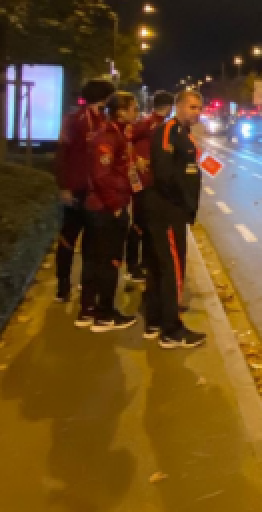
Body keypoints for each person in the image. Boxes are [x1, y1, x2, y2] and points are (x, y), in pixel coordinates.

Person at [145, 90, 207, 348]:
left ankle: (157, 320)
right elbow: (165, 173)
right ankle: (171, 330)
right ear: (178, 107)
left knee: (162, 266)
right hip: (168, 210)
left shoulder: (181, 133)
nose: (197, 112)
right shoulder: (168, 131)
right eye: (192, 107)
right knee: (173, 268)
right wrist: (183, 201)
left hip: (173, 209)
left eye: (199, 108)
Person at [81, 92, 141, 332]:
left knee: (98, 261)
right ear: (121, 111)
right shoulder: (107, 137)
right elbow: (101, 176)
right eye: (133, 108)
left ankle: (91, 309)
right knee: (109, 261)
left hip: (103, 206)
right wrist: (116, 205)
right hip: (105, 209)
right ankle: (105, 314)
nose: (136, 112)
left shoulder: (117, 134)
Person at [53, 79, 116, 303]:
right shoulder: (75, 121)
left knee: (91, 240)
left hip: (94, 191)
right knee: (68, 239)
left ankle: (85, 284)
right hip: (78, 189)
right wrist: (64, 187)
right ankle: (63, 286)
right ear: (104, 99)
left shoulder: (103, 121)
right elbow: (61, 155)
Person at [127, 91, 174, 337]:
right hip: (150, 189)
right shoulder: (156, 127)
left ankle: (140, 269)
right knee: (151, 241)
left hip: (148, 188)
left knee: (146, 234)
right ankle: (158, 310)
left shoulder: (152, 126)